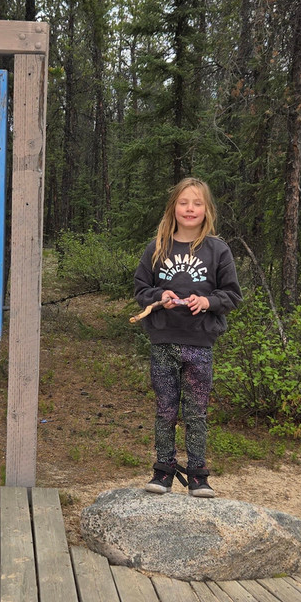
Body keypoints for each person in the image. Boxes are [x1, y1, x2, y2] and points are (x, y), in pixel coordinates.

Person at [133, 177, 242, 497]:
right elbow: (141, 290)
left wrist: (207, 302)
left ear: (207, 210)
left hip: (200, 343)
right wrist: (158, 296)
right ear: (173, 208)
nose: (190, 209)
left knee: (197, 412)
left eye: (197, 203)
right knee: (165, 409)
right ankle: (163, 469)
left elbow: (232, 295)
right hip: (163, 341)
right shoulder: (157, 248)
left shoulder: (217, 250)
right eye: (184, 202)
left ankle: (197, 474)